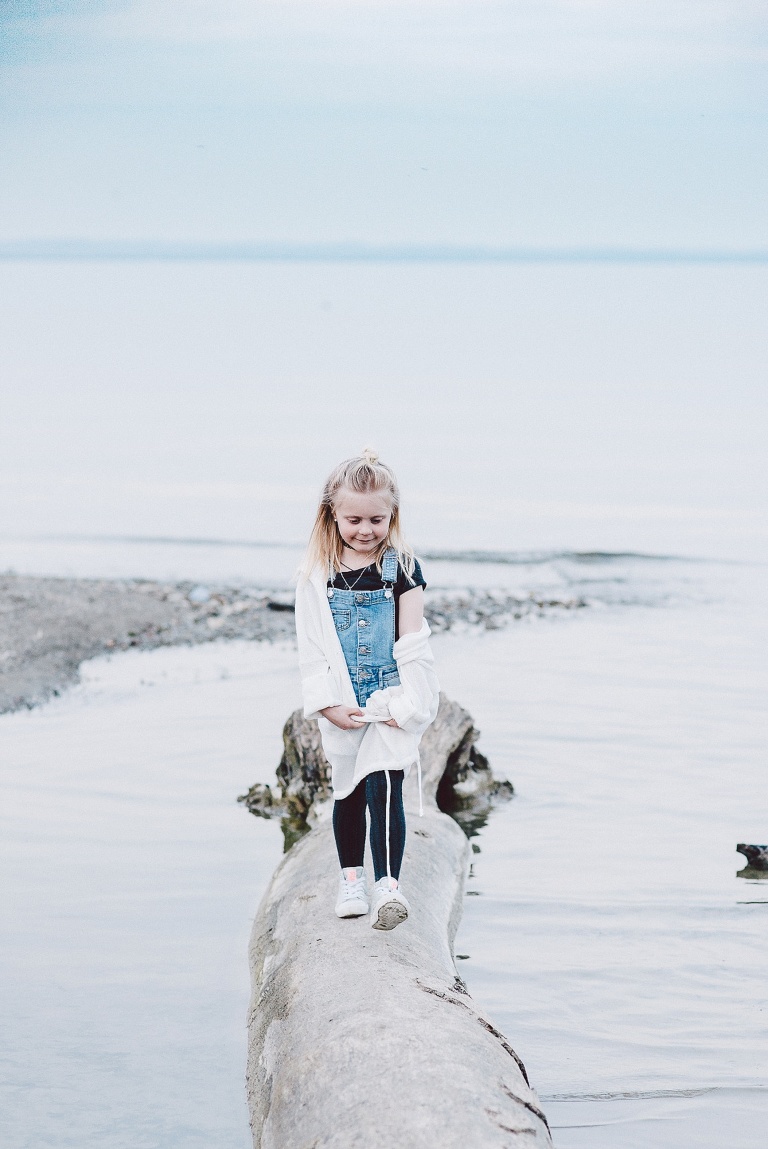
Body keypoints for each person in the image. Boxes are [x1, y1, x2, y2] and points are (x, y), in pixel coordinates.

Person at [295, 449, 440, 931]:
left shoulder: (402, 568)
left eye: (376, 519)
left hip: (388, 698)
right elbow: (311, 644)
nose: (365, 529)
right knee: (348, 789)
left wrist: (410, 703)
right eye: (353, 519)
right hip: (344, 701)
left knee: (386, 784)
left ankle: (388, 887)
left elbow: (413, 643)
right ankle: (351, 879)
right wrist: (326, 702)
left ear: (391, 515)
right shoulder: (317, 575)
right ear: (332, 515)